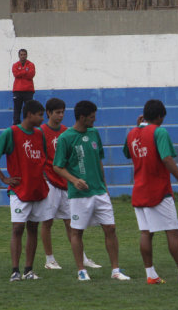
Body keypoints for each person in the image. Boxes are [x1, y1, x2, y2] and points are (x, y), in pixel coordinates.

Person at [124, 99, 178, 284]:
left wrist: (138, 128)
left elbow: (127, 153)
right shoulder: (159, 131)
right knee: (172, 232)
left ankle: (151, 275)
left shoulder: (132, 133)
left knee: (146, 233)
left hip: (139, 191)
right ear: (160, 117)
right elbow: (167, 159)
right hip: (158, 191)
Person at [53, 100, 131, 281]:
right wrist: (74, 180)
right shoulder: (66, 138)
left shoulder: (94, 133)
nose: (94, 121)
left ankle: (115, 270)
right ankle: (81, 270)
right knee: (77, 231)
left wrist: (105, 186)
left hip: (99, 191)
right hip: (79, 195)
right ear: (82, 117)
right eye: (92, 117)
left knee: (110, 228)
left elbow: (99, 161)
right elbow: (58, 166)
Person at [0, 100, 49, 282]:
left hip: (37, 190)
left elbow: (42, 159)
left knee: (33, 228)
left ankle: (28, 270)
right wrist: (4, 178)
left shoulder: (39, 134)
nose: (42, 118)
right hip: (19, 190)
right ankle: (15, 270)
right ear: (29, 114)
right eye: (40, 114)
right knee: (17, 228)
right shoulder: (11, 133)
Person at [40, 98, 101, 270]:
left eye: (62, 112)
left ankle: (82, 258)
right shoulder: (42, 132)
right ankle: (49, 259)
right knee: (47, 221)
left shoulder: (67, 132)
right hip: (50, 182)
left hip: (66, 182)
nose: (60, 115)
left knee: (71, 222)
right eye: (57, 112)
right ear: (48, 113)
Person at [12, 48, 35, 125]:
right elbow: (16, 74)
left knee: (29, 109)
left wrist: (21, 72)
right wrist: (25, 71)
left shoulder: (31, 65)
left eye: (24, 54)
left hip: (28, 91)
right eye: (21, 55)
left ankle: (28, 123)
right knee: (17, 109)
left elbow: (31, 75)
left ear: (27, 55)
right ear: (19, 56)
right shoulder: (15, 65)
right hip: (17, 90)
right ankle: (16, 125)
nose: (23, 56)